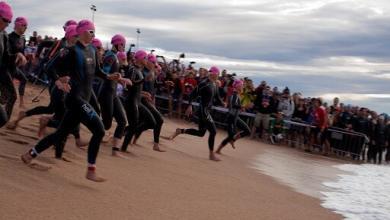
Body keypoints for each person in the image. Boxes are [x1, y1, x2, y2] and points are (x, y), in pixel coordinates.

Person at [21, 19, 121, 182]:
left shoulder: (93, 51)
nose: (93, 34)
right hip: (75, 98)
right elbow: (49, 68)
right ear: (81, 31)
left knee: (60, 133)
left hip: (84, 97)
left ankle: (30, 154)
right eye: (91, 31)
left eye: (94, 31)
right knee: (100, 130)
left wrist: (110, 76)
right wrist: (58, 82)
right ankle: (91, 170)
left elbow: (97, 71)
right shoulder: (70, 51)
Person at [170, 66, 225, 161]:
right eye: (214, 73)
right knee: (213, 131)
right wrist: (190, 105)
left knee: (200, 133)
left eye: (216, 73)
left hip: (207, 111)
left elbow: (217, 98)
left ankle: (180, 131)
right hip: (203, 111)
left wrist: (223, 103)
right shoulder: (204, 84)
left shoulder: (215, 85)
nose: (215, 75)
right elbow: (192, 94)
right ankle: (211, 155)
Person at [98, 34, 129, 156]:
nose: (124, 47)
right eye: (123, 44)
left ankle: (115, 151)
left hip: (113, 93)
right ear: (118, 44)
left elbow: (113, 75)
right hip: (106, 93)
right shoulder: (110, 56)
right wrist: (115, 77)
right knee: (106, 124)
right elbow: (103, 73)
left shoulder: (115, 56)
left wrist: (121, 79)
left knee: (122, 121)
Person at [216, 80, 250, 154]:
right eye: (241, 85)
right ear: (237, 86)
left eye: (242, 85)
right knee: (231, 135)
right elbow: (234, 105)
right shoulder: (234, 94)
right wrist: (243, 106)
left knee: (247, 131)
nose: (242, 87)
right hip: (231, 118)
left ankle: (233, 140)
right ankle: (218, 149)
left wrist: (241, 109)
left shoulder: (238, 95)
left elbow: (235, 107)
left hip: (236, 117)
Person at [8, 16, 28, 108]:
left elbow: (22, 53)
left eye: (26, 26)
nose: (26, 27)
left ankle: (21, 102)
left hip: (14, 67)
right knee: (8, 93)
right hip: (5, 67)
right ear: (18, 25)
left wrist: (23, 59)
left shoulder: (23, 39)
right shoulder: (9, 37)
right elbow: (6, 53)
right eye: (24, 25)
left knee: (24, 79)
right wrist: (17, 55)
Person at [0, 1, 14, 128]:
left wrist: (17, 57)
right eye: (5, 20)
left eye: (10, 21)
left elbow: (5, 58)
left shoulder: (3, 34)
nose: (7, 24)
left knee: (2, 118)